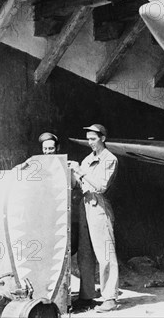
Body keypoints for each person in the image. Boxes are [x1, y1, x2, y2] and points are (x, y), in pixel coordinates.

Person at [69, 124, 119, 312]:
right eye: (88, 139)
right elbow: (78, 184)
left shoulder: (110, 159)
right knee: (84, 254)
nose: (90, 142)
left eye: (93, 138)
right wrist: (71, 172)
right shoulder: (88, 159)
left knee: (105, 253)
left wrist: (81, 172)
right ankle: (86, 296)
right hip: (84, 205)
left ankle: (110, 298)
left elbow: (100, 185)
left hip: (99, 206)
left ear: (103, 139)